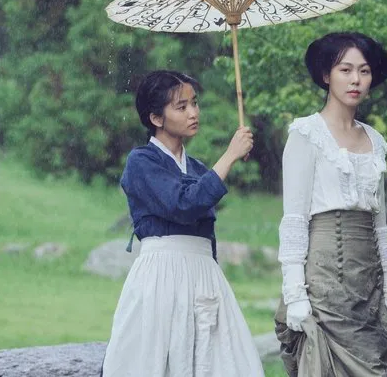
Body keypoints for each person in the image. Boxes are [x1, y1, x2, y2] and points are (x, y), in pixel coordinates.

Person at [101, 70, 264, 377]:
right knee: (154, 361)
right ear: (156, 118)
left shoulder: (199, 168)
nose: (194, 113)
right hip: (162, 275)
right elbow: (183, 205)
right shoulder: (141, 162)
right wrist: (229, 156)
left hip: (204, 276)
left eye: (195, 103)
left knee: (219, 362)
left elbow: (205, 225)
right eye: (181, 106)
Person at [274, 32, 387, 376]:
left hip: (368, 280)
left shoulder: (375, 140)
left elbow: (380, 223)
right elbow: (295, 220)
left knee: (378, 360)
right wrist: (296, 294)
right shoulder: (306, 134)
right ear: (326, 75)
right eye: (345, 70)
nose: (356, 79)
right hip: (324, 279)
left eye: (364, 71)